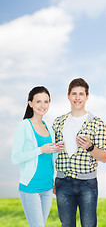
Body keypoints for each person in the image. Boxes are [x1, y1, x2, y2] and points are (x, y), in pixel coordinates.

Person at [52, 78, 106, 227]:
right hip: (63, 182)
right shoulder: (58, 122)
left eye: (81, 94)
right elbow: (55, 154)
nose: (77, 98)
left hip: (87, 184)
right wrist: (55, 178)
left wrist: (90, 147)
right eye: (74, 94)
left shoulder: (96, 123)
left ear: (87, 96)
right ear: (68, 96)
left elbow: (104, 157)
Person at [12, 86, 64, 227]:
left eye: (46, 102)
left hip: (47, 186)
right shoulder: (24, 126)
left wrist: (57, 149)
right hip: (31, 187)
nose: (43, 105)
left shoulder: (49, 128)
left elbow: (49, 157)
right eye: (38, 101)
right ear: (30, 103)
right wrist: (40, 150)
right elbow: (15, 157)